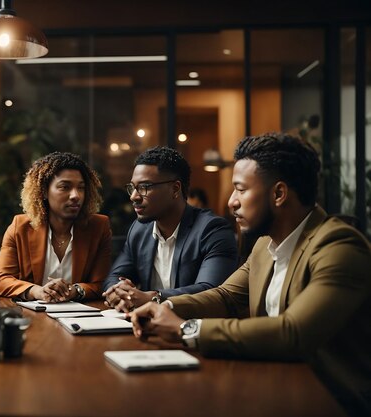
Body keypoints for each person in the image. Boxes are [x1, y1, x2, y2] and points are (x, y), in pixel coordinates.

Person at [130, 133, 371, 417]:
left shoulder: (339, 246)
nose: (231, 202)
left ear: (279, 194)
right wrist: (163, 306)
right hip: (275, 386)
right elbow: (226, 296)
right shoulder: (263, 247)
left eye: (241, 190)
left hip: (334, 400)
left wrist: (188, 330)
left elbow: (293, 333)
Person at [103, 146, 238, 312]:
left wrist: (154, 297)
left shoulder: (212, 230)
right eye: (132, 187)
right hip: (145, 327)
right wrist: (118, 291)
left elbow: (210, 290)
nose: (134, 197)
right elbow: (114, 276)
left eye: (144, 187)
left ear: (175, 189)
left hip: (194, 330)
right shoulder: (139, 230)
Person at [0, 152, 111, 301]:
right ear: (43, 191)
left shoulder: (98, 227)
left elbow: (102, 283)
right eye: (65, 187)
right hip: (33, 315)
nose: (75, 195)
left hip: (80, 317)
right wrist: (37, 291)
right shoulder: (20, 227)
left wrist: (75, 291)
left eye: (81, 188)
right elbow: (1, 280)